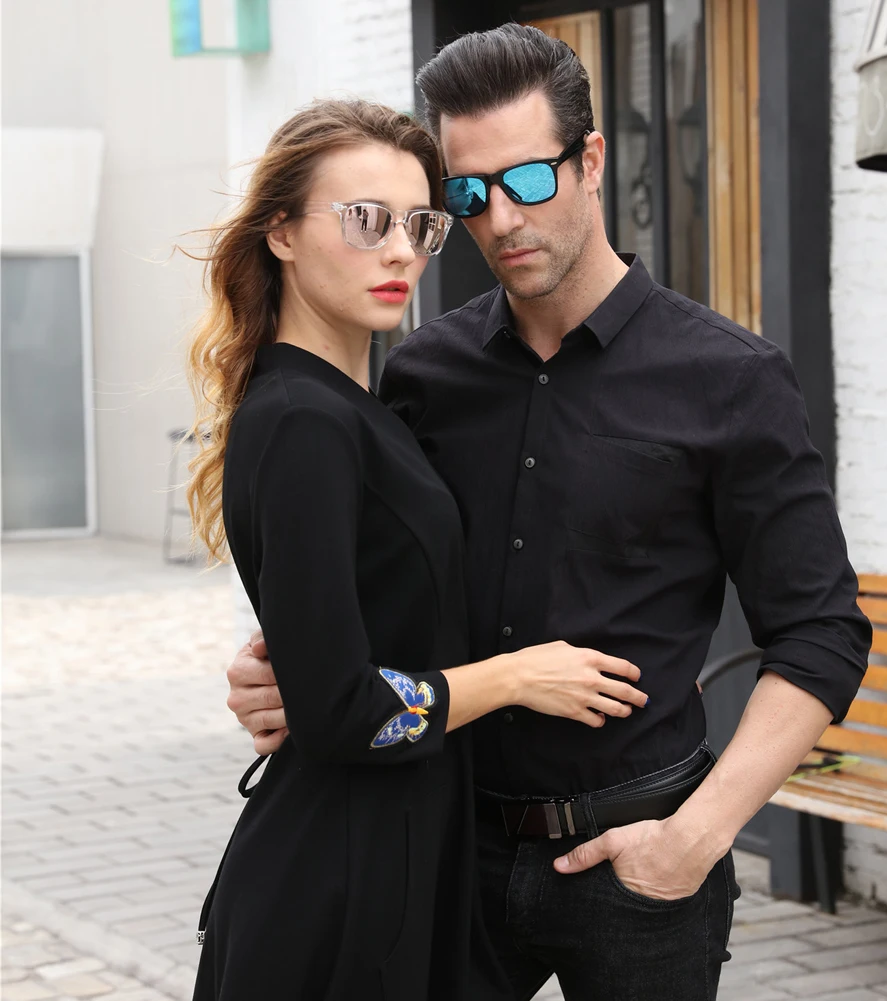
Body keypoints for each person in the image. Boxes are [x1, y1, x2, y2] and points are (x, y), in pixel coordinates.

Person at [225, 25, 872, 1001]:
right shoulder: (423, 375)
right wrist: (284, 670)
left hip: (641, 859)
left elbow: (821, 634)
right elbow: (377, 580)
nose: (500, 220)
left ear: (591, 160)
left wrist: (692, 838)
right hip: (446, 850)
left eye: (527, 180)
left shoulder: (729, 377)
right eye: (468, 194)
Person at [185, 97, 650, 1001]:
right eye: (365, 220)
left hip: (394, 859)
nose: (400, 251)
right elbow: (344, 714)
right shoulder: (304, 419)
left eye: (420, 224)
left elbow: (356, 639)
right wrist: (515, 676)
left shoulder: (356, 406)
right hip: (337, 886)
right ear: (281, 232)